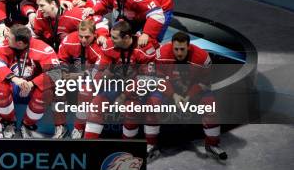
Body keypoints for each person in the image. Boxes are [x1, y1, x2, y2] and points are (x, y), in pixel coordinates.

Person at [90, 21, 161, 159]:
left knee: (133, 108)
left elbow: (147, 79)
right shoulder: (109, 45)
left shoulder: (145, 49)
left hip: (143, 85)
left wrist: (123, 95)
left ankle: (134, 147)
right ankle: (88, 145)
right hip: (118, 82)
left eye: (115, 37)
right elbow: (99, 70)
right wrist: (101, 77)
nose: (111, 40)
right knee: (97, 103)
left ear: (127, 37)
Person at [156, 32, 228, 160]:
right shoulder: (161, 54)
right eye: (176, 49)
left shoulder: (202, 58)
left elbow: (205, 82)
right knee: (153, 101)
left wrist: (189, 95)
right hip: (171, 88)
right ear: (171, 45)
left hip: (192, 88)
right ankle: (151, 144)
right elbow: (158, 79)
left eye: (182, 49)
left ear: (189, 47)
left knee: (210, 105)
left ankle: (212, 145)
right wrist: (173, 95)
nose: (179, 53)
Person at [0, 24, 61, 138]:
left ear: (20, 43)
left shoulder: (42, 48)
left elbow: (56, 73)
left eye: (10, 38)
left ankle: (27, 124)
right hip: (12, 85)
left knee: (47, 92)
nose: (6, 38)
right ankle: (9, 122)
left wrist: (32, 83)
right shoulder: (4, 45)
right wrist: (15, 79)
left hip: (32, 88)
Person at [57, 20, 104, 139]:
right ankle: (60, 126)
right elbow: (62, 60)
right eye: (81, 36)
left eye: (87, 37)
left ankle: (78, 127)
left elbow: (98, 72)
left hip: (97, 78)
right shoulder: (69, 40)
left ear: (95, 34)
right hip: (75, 74)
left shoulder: (100, 46)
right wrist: (64, 73)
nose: (83, 40)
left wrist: (76, 76)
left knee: (85, 90)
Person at [33, 0, 108, 51]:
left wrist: (102, 35)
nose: (39, 9)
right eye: (38, 5)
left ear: (53, 4)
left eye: (42, 5)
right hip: (56, 50)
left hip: (80, 50)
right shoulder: (39, 16)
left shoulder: (73, 14)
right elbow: (36, 35)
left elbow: (100, 21)